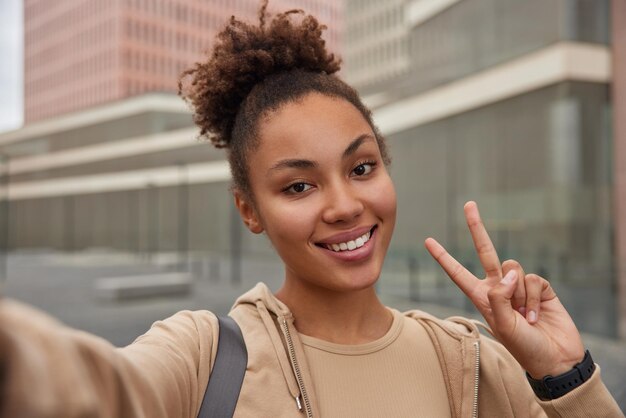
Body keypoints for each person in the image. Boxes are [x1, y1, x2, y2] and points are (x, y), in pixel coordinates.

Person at [0, 2, 622, 417]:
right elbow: (86, 390)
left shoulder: (474, 362)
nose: (346, 205)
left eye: (361, 168)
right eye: (298, 186)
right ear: (249, 210)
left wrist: (567, 375)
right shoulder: (202, 355)